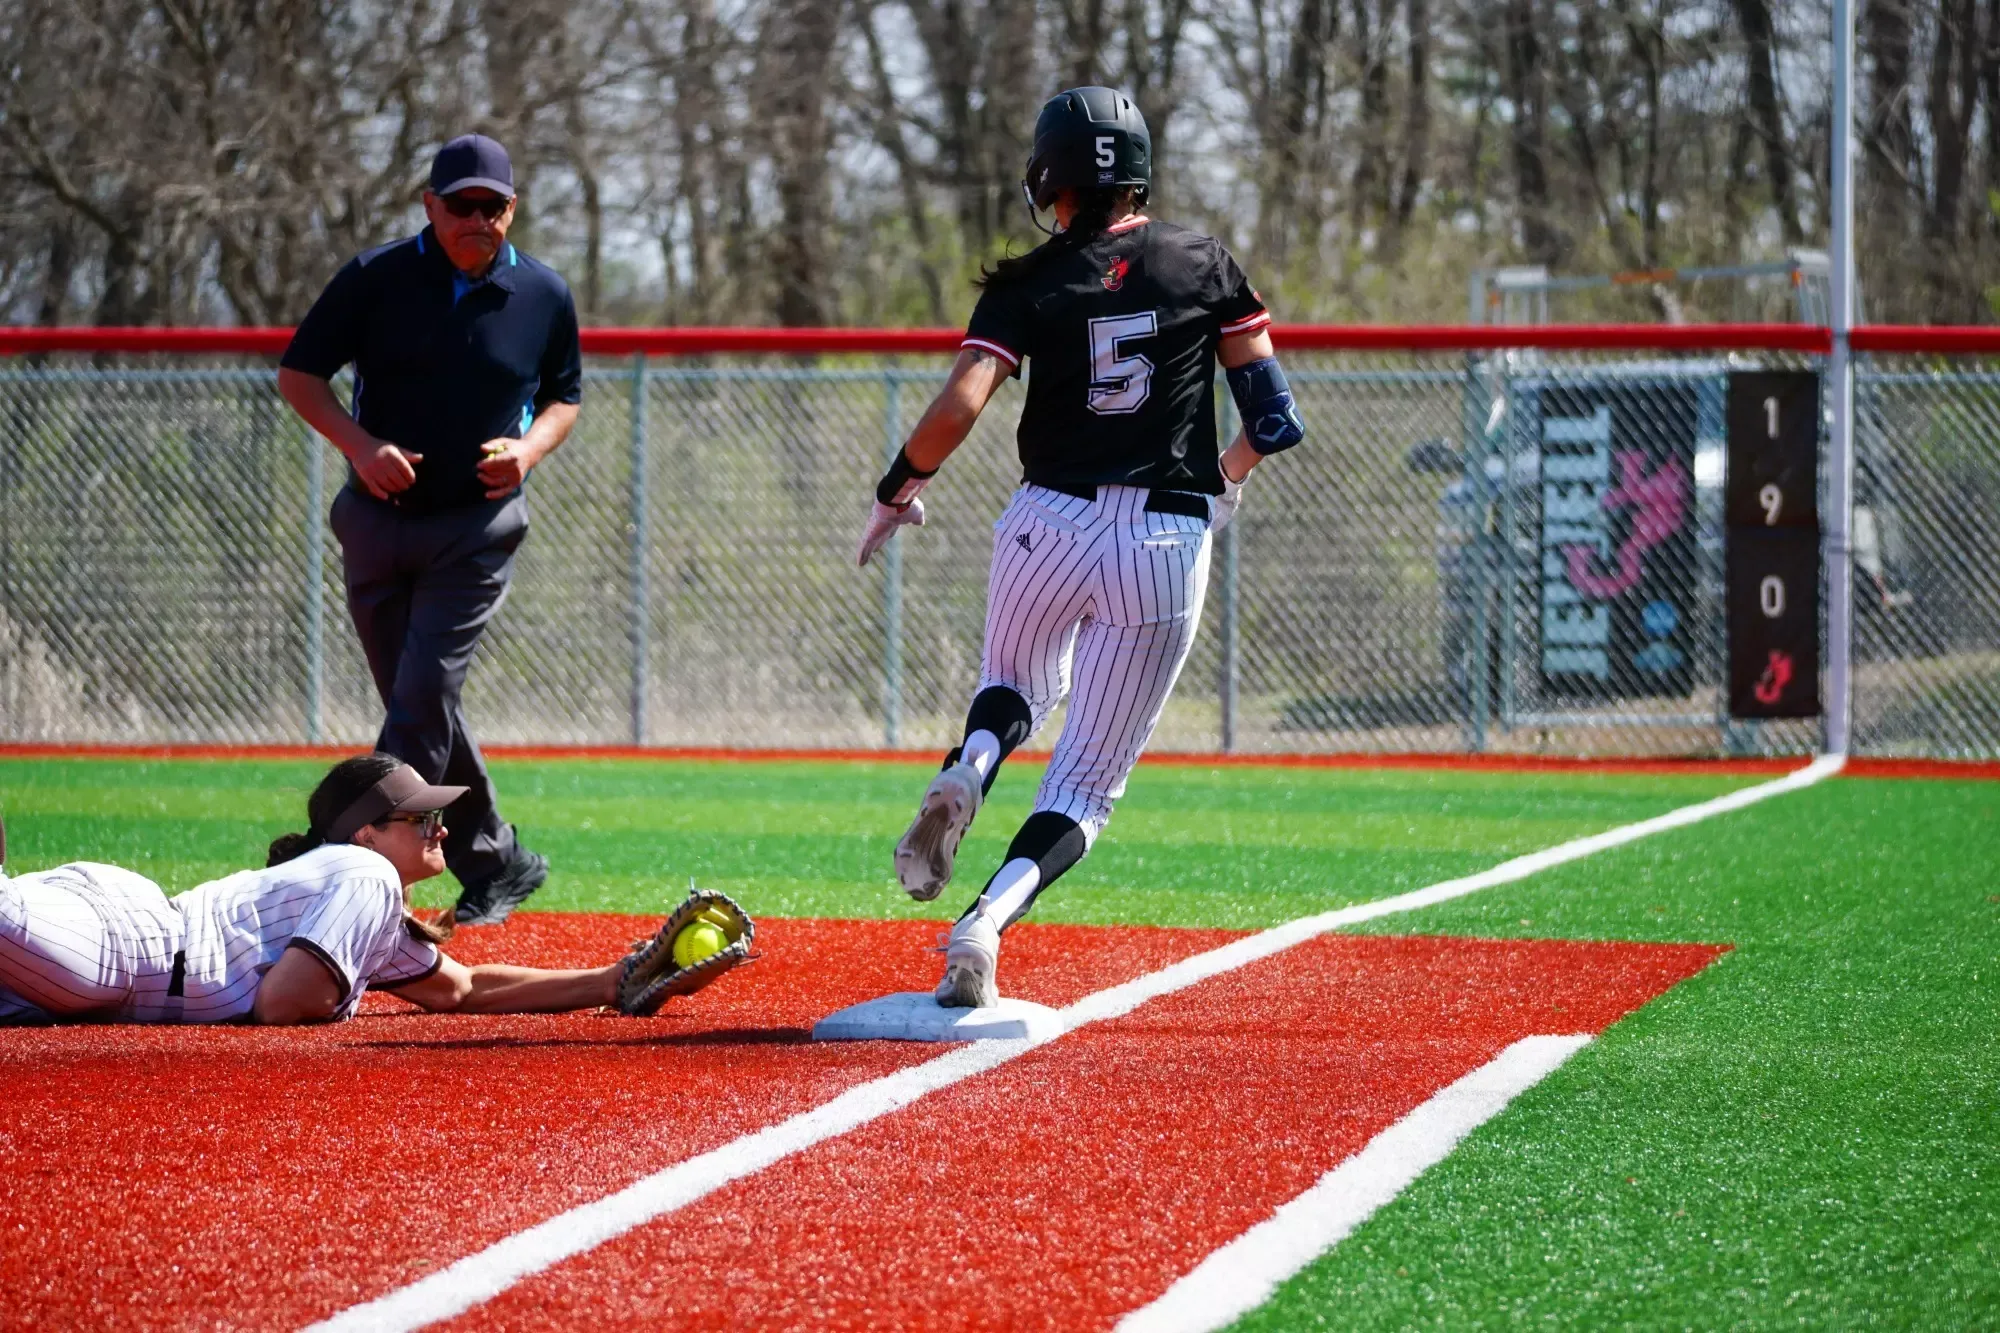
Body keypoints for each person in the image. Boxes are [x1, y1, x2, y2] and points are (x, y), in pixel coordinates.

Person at [854, 87, 1306, 1008]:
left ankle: (969, 766)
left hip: (1046, 521)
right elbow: (1274, 416)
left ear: (1051, 176)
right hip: (1162, 537)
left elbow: (963, 402)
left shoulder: (1027, 283)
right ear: (1138, 172)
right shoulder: (1199, 259)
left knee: (1017, 682)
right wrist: (1226, 479)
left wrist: (897, 488)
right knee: (1087, 783)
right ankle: (982, 923)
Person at [277, 133, 583, 926]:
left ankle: (342, 861)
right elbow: (299, 376)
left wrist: (530, 450)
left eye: (494, 206)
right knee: (418, 699)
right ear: (430, 206)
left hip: (477, 529)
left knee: (421, 696)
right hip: (377, 522)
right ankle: (495, 857)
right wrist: (361, 445)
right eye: (462, 205)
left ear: (512, 209)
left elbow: (566, 396)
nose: (477, 219)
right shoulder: (376, 278)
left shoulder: (543, 294)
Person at [0, 755, 671, 1025]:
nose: (441, 828)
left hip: (113, 949)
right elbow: (283, 1004)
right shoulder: (368, 876)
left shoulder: (362, 892)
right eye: (421, 816)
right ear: (368, 835)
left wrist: (610, 981)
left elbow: (462, 990)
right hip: (119, 947)